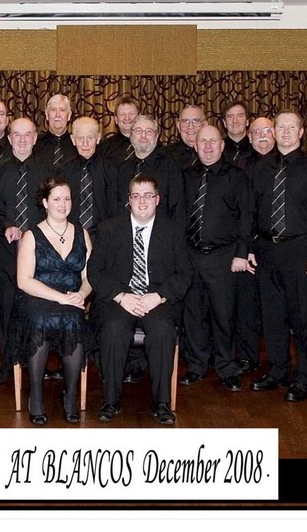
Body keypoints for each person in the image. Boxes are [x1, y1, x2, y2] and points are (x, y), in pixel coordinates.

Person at [88, 175, 193, 425]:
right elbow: (95, 271)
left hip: (157, 299)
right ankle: (111, 401)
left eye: (147, 195)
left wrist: (159, 296)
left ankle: (162, 403)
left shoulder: (173, 230)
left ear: (157, 199)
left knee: (162, 329)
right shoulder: (108, 229)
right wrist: (121, 296)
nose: (142, 201)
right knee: (114, 329)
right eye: (136, 196)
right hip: (120, 299)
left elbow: (185, 273)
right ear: (129, 200)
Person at [249, 110, 307, 402]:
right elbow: (251, 211)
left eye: (291, 127)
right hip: (266, 250)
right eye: (280, 127)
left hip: (301, 251)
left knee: (303, 317)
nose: (285, 132)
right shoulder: (261, 167)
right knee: (272, 316)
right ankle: (278, 370)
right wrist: (249, 247)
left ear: (301, 132)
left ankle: (306, 375)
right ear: (273, 132)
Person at [12, 176, 93, 425]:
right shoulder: (31, 235)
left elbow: (90, 277)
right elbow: (24, 281)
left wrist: (81, 294)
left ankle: (70, 395)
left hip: (71, 298)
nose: (63, 204)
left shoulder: (83, 234)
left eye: (67, 199)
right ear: (45, 202)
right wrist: (60, 298)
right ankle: (35, 396)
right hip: (38, 297)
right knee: (40, 321)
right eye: (56, 199)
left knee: (73, 321)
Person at [179, 125, 253, 392]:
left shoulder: (237, 177)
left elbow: (246, 217)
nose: (208, 147)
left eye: (213, 141)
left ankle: (226, 367)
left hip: (224, 256)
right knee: (193, 315)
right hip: (190, 255)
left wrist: (241, 254)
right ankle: (197, 365)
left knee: (224, 316)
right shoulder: (186, 176)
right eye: (203, 142)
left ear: (222, 146)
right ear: (195, 146)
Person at [114, 115, 185, 384]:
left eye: (149, 131)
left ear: (157, 135)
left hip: (162, 257)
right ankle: (134, 364)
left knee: (158, 319)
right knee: (124, 312)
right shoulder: (122, 169)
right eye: (138, 131)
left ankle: (157, 372)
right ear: (130, 135)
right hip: (127, 253)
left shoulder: (171, 168)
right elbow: (115, 211)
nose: (143, 136)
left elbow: (178, 210)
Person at [0, 118, 56, 382]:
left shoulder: (49, 173)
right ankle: (9, 365)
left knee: (39, 312)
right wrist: (7, 226)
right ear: (9, 139)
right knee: (7, 310)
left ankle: (37, 365)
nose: (22, 139)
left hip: (40, 255)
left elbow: (56, 212)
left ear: (35, 138)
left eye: (27, 134)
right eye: (16, 134)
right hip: (7, 252)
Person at [231, 117, 276, 375]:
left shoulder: (286, 164)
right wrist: (244, 248)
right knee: (246, 305)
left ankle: (276, 360)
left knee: (274, 306)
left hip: (277, 246)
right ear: (249, 137)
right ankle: (249, 357)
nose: (262, 135)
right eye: (256, 132)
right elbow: (240, 212)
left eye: (267, 130)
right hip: (248, 245)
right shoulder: (240, 167)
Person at [63, 116, 117, 240]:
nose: (85, 144)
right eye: (80, 138)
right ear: (73, 140)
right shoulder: (64, 171)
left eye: (90, 138)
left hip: (102, 235)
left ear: (98, 138)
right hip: (71, 234)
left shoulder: (110, 169)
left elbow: (114, 205)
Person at [32, 94, 76, 167]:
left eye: (62, 110)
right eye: (53, 110)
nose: (57, 114)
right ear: (47, 115)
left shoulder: (77, 144)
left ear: (69, 116)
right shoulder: (35, 144)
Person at [97, 95, 140, 167]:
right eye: (122, 114)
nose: (127, 118)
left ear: (139, 117)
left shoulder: (151, 143)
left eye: (131, 114)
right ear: (116, 119)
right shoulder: (105, 147)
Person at [165, 105, 206, 170]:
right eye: (185, 121)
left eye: (195, 121)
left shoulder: (215, 153)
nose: (190, 126)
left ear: (204, 125)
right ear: (178, 126)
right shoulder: (166, 155)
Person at [221, 101, 252, 165]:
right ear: (224, 123)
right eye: (230, 116)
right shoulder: (217, 149)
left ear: (247, 121)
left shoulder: (256, 149)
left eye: (240, 116)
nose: (235, 121)